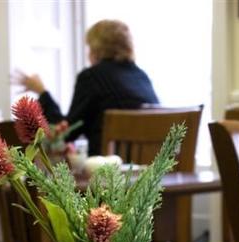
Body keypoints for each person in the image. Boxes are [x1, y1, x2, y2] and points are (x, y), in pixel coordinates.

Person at [13, 19, 158, 155]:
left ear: (96, 49)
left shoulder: (91, 77)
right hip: (153, 175)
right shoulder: (142, 77)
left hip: (110, 174)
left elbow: (67, 132)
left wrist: (42, 91)